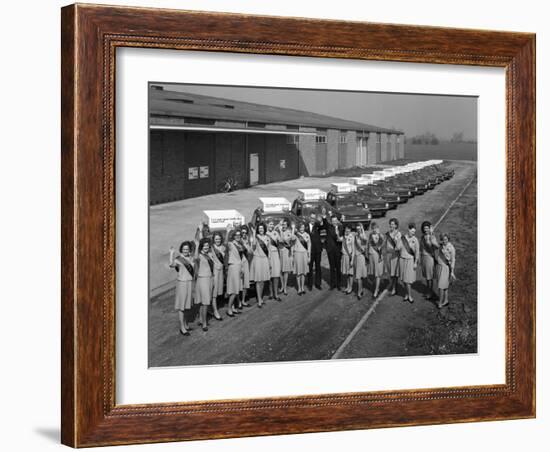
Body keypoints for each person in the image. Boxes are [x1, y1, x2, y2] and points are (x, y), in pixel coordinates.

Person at [168, 241, 195, 336]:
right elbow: (171, 265)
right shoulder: (178, 259)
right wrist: (171, 253)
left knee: (187, 306)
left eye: (187, 249)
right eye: (184, 249)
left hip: (189, 283)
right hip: (182, 284)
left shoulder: (191, 258)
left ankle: (186, 324)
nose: (185, 251)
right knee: (182, 306)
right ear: (181, 250)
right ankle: (182, 327)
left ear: (189, 250)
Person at [194, 236, 215, 332]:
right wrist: (198, 243)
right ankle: (204, 323)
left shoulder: (210, 254)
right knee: (205, 302)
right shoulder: (199, 255)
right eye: (204, 246)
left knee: (204, 301)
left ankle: (201, 319)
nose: (206, 247)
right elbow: (194, 258)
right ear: (201, 246)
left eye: (207, 245)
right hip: (202, 280)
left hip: (209, 279)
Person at [225, 225, 245, 317]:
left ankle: (233, 308)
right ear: (233, 236)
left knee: (236, 288)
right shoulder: (231, 244)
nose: (238, 236)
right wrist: (228, 232)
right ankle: (229, 308)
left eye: (239, 235)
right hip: (233, 267)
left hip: (239, 267)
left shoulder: (240, 244)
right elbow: (225, 242)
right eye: (236, 235)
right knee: (234, 290)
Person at [397, 222, 420, 303]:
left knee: (408, 280)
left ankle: (410, 296)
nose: (413, 233)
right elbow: (398, 248)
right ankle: (406, 294)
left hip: (410, 260)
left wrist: (415, 262)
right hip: (402, 259)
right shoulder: (402, 238)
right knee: (403, 279)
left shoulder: (415, 239)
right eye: (412, 231)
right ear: (408, 230)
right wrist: (398, 240)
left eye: (414, 232)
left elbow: (417, 252)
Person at [250, 222, 271, 308]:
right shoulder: (255, 238)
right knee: (258, 281)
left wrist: (269, 262)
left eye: (262, 228)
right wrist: (254, 233)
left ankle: (261, 297)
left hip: (265, 260)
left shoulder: (267, 238)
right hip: (258, 259)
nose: (261, 230)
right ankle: (259, 299)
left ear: (264, 229)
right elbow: (253, 246)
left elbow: (268, 250)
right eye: (259, 228)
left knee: (263, 281)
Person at [434, 233, 456, 308]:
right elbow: (433, 242)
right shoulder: (441, 245)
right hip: (439, 267)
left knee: (441, 286)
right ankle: (446, 300)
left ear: (448, 239)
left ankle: (440, 303)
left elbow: (453, 260)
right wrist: (432, 233)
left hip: (446, 268)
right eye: (443, 239)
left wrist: (452, 272)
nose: (444, 241)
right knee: (445, 287)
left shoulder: (451, 248)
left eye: (446, 239)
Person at [209, 231, 226, 320]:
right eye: (216, 239)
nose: (218, 240)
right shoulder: (211, 248)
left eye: (219, 239)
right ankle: (215, 311)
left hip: (221, 271)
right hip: (214, 272)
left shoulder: (223, 247)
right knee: (214, 292)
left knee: (218, 290)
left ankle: (210, 308)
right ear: (213, 240)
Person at [420, 221, 439, 300]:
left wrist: (431, 235)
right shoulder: (423, 236)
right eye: (424, 228)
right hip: (424, 258)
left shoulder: (432, 236)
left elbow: (436, 246)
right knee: (427, 276)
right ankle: (429, 291)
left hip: (429, 258)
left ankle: (430, 293)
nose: (426, 230)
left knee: (429, 277)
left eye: (427, 228)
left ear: (429, 228)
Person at [323, 214, 342, 290]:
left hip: (338, 250)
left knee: (338, 267)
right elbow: (325, 223)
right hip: (330, 250)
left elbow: (342, 237)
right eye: (333, 221)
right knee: (332, 268)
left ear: (337, 221)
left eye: (335, 221)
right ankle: (332, 284)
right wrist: (324, 216)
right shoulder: (329, 227)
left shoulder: (341, 227)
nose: (334, 222)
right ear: (331, 221)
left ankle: (339, 284)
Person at [367, 222, 385, 298]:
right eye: (373, 228)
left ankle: (376, 290)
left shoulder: (381, 236)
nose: (374, 230)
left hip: (377, 256)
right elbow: (368, 245)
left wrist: (379, 234)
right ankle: (377, 285)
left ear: (378, 228)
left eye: (376, 228)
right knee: (374, 273)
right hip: (371, 256)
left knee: (377, 274)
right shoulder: (370, 235)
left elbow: (382, 245)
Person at [293, 221, 311, 295]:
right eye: (300, 227)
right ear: (298, 228)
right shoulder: (296, 235)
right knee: (298, 272)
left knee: (303, 272)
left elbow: (309, 246)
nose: (302, 228)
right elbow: (291, 238)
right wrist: (293, 229)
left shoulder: (307, 235)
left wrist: (309, 256)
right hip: (297, 254)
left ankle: (302, 287)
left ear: (305, 228)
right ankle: (299, 288)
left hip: (304, 254)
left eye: (303, 227)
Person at [385, 218, 402, 296]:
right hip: (388, 255)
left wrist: (395, 240)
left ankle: (394, 288)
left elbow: (399, 246)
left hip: (395, 255)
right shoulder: (387, 233)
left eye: (393, 224)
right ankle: (393, 285)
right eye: (390, 224)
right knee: (390, 272)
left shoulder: (398, 234)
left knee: (394, 273)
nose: (391, 225)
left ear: (396, 225)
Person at [277, 219, 295, 295]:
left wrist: (293, 229)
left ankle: (284, 287)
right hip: (280, 252)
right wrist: (279, 224)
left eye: (285, 224)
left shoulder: (289, 233)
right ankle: (281, 286)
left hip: (286, 252)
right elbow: (279, 239)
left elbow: (287, 240)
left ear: (287, 226)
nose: (283, 226)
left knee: (286, 271)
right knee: (280, 270)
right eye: (283, 224)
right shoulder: (279, 231)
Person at [266, 220, 282, 301]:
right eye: (270, 224)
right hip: (268, 255)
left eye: (272, 224)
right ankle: (270, 293)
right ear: (267, 225)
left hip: (275, 254)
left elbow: (281, 241)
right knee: (269, 275)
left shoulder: (276, 233)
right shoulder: (264, 234)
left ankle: (276, 294)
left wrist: (280, 230)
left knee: (276, 275)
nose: (271, 226)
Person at [307, 213, 323, 290]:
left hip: (318, 250)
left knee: (318, 267)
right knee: (309, 268)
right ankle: (309, 284)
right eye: (311, 218)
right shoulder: (305, 226)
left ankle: (318, 283)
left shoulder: (318, 225)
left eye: (314, 218)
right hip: (309, 251)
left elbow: (323, 225)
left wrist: (323, 216)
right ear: (309, 218)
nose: (313, 219)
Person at [354, 223, 369, 299]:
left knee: (359, 276)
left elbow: (365, 241)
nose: (358, 230)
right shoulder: (356, 236)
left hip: (361, 257)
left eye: (359, 229)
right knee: (359, 275)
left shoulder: (363, 236)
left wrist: (362, 233)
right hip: (357, 257)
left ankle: (359, 292)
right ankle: (361, 289)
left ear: (361, 229)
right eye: (357, 229)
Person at [239, 224, 253, 307]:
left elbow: (250, 252)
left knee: (245, 283)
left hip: (246, 263)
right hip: (239, 264)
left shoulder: (248, 241)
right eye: (242, 232)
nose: (244, 234)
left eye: (245, 233)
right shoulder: (237, 241)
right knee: (239, 283)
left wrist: (250, 249)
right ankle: (238, 302)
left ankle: (243, 300)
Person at [341, 224, 356, 294]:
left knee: (350, 273)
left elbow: (353, 249)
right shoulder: (343, 237)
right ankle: (348, 286)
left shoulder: (352, 237)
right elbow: (338, 238)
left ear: (350, 230)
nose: (347, 230)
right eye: (346, 229)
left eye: (349, 229)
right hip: (344, 257)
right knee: (347, 273)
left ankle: (351, 287)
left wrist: (352, 260)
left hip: (349, 256)